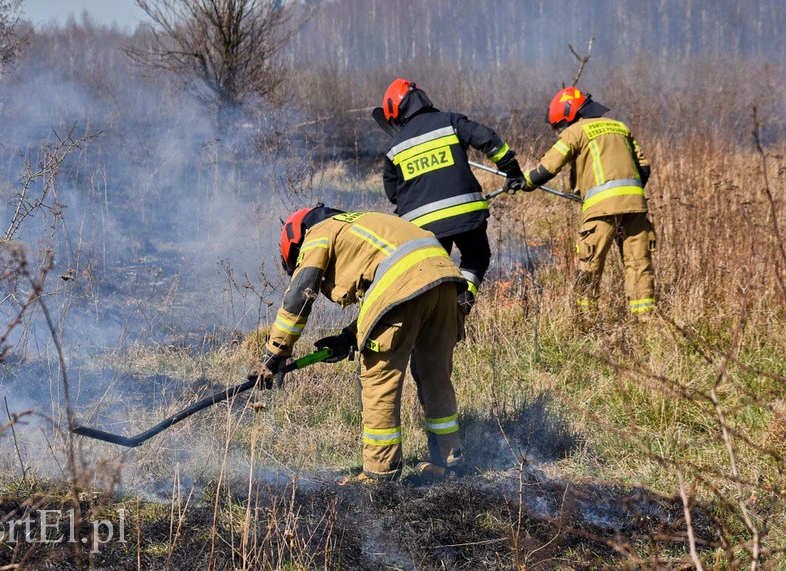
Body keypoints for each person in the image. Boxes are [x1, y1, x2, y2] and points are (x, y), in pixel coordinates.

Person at [250, 204, 467, 482]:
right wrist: (349, 338)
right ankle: (448, 461)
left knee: (379, 377)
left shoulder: (319, 232)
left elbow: (299, 296)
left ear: (295, 241)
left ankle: (379, 473)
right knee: (434, 374)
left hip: (406, 284)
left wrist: (274, 354)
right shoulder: (363, 223)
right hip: (446, 282)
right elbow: (391, 289)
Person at [379, 78, 526, 315]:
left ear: (397, 112)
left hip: (423, 228)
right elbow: (488, 139)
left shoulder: (394, 147)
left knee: (431, 271)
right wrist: (512, 170)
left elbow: (392, 194)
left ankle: (431, 317)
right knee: (476, 256)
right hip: (466, 216)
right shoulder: (450, 121)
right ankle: (463, 301)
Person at [520, 86, 656, 319]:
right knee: (638, 264)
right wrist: (627, 193)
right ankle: (644, 320)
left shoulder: (575, 132)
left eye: (561, 124)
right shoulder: (619, 126)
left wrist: (523, 182)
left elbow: (547, 168)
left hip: (601, 209)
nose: (561, 129)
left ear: (569, 114)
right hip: (636, 205)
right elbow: (644, 167)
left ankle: (586, 319)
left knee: (590, 264)